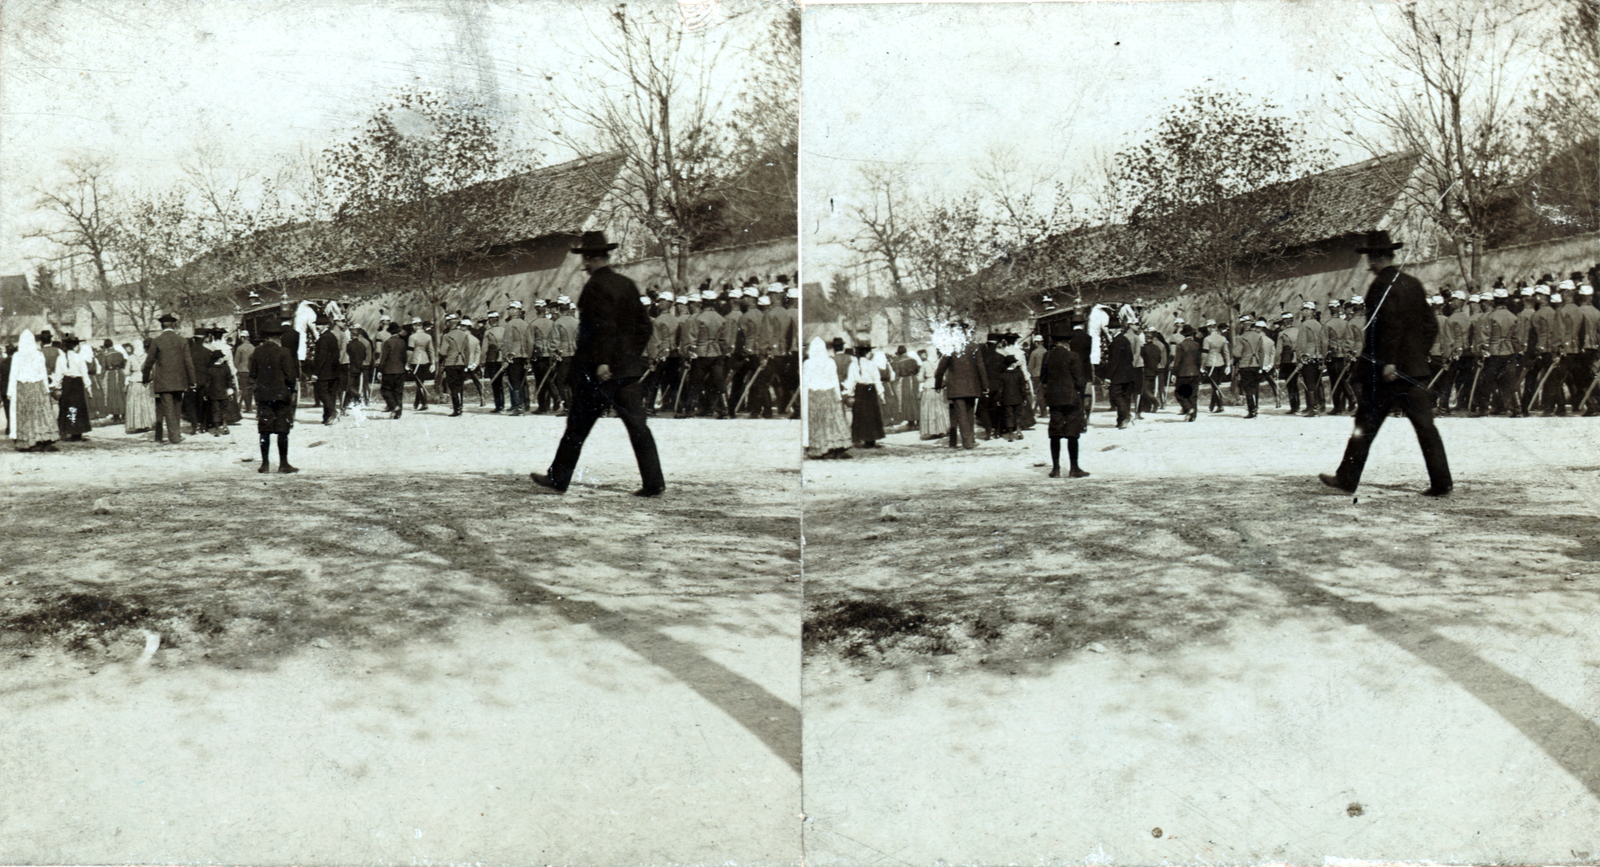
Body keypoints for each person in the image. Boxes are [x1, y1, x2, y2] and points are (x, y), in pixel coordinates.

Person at [531, 232, 665, 497]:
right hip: (626, 372)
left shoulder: (594, 287)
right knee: (638, 427)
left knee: (577, 428)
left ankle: (559, 478)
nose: (585, 264)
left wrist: (604, 361)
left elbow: (601, 327)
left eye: (586, 259)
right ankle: (654, 482)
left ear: (592, 258)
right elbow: (645, 326)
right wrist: (630, 356)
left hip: (597, 373)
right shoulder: (627, 284)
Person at [1321, 231, 1452, 497]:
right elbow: (1430, 326)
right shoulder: (1413, 283)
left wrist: (1391, 362)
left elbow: (1388, 327)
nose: (1368, 262)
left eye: (1370, 255)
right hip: (1413, 371)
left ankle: (1347, 479)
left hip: (1383, 373)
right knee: (1426, 428)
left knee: (1364, 426)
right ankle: (1442, 483)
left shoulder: (1381, 285)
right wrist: (1415, 355)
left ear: (1379, 256)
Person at [250, 320, 299, 473]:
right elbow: (291, 376)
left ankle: (265, 464)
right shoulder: (284, 352)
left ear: (265, 337)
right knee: (282, 429)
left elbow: (253, 374)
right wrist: (291, 390)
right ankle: (283, 464)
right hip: (281, 395)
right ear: (278, 337)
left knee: (264, 429)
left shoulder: (257, 352)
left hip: (264, 396)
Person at [1040, 325, 1089, 478]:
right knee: (1072, 433)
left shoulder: (1047, 356)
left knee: (1055, 433)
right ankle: (1074, 468)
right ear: (1068, 341)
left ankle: (1055, 469)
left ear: (1054, 341)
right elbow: (1080, 380)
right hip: (1071, 399)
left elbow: (1043, 377)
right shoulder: (1073, 356)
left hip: (1054, 399)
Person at [143, 312, 197, 444]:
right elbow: (188, 362)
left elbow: (149, 361)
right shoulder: (182, 340)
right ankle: (176, 434)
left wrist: (145, 378)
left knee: (168, 409)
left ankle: (174, 436)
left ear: (161, 326)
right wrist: (192, 380)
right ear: (174, 325)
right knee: (177, 408)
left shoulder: (157, 341)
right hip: (179, 381)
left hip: (163, 381)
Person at [934, 324, 989, 450]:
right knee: (970, 414)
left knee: (962, 415)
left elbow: (941, 369)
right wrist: (985, 385)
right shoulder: (974, 347)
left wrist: (937, 384)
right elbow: (981, 368)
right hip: (973, 387)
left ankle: (968, 442)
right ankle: (971, 439)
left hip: (956, 388)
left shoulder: (949, 348)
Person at [7, 331, 57, 452]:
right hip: (38, 386)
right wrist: (46, 389)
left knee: (26, 415)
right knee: (41, 414)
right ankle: (44, 440)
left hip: (23, 388)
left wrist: (10, 391)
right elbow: (43, 373)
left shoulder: (17, 356)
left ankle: (29, 441)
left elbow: (13, 375)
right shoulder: (39, 355)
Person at [804, 336, 852, 459]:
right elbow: (834, 380)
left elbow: (805, 382)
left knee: (818, 422)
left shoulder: (808, 363)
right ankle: (836, 447)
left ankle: (821, 449)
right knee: (832, 421)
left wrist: (804, 398)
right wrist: (838, 396)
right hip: (829, 393)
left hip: (814, 395)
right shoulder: (830, 361)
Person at [847, 343, 887, 448]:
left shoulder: (853, 365)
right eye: (870, 352)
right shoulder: (871, 364)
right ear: (867, 353)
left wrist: (850, 394)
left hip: (859, 390)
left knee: (860, 414)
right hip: (870, 389)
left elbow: (851, 381)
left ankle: (860, 437)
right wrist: (881, 393)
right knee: (871, 414)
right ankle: (871, 440)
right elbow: (877, 380)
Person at [124, 341, 157, 434]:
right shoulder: (147, 356)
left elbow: (126, 372)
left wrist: (133, 372)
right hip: (145, 381)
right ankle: (148, 422)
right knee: (146, 402)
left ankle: (137, 424)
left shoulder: (131, 358)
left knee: (135, 402)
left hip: (134, 381)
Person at [916, 348, 949, 440]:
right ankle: (943, 429)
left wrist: (926, 378)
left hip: (929, 387)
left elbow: (920, 379)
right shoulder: (941, 362)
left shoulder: (925, 364)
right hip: (940, 387)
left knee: (929, 410)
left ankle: (932, 430)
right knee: (941, 409)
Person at [377, 322, 408, 418]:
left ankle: (394, 406)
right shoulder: (402, 342)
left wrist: (380, 370)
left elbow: (384, 358)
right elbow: (404, 357)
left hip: (388, 370)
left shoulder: (387, 342)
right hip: (400, 370)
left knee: (385, 390)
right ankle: (398, 414)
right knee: (398, 391)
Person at [1172, 325, 1202, 421]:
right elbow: (1198, 360)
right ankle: (1193, 416)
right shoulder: (1197, 345)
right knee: (1193, 394)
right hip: (1195, 372)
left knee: (1179, 393)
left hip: (1183, 373)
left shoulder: (1181, 345)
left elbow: (1177, 361)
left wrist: (1174, 373)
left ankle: (1188, 408)